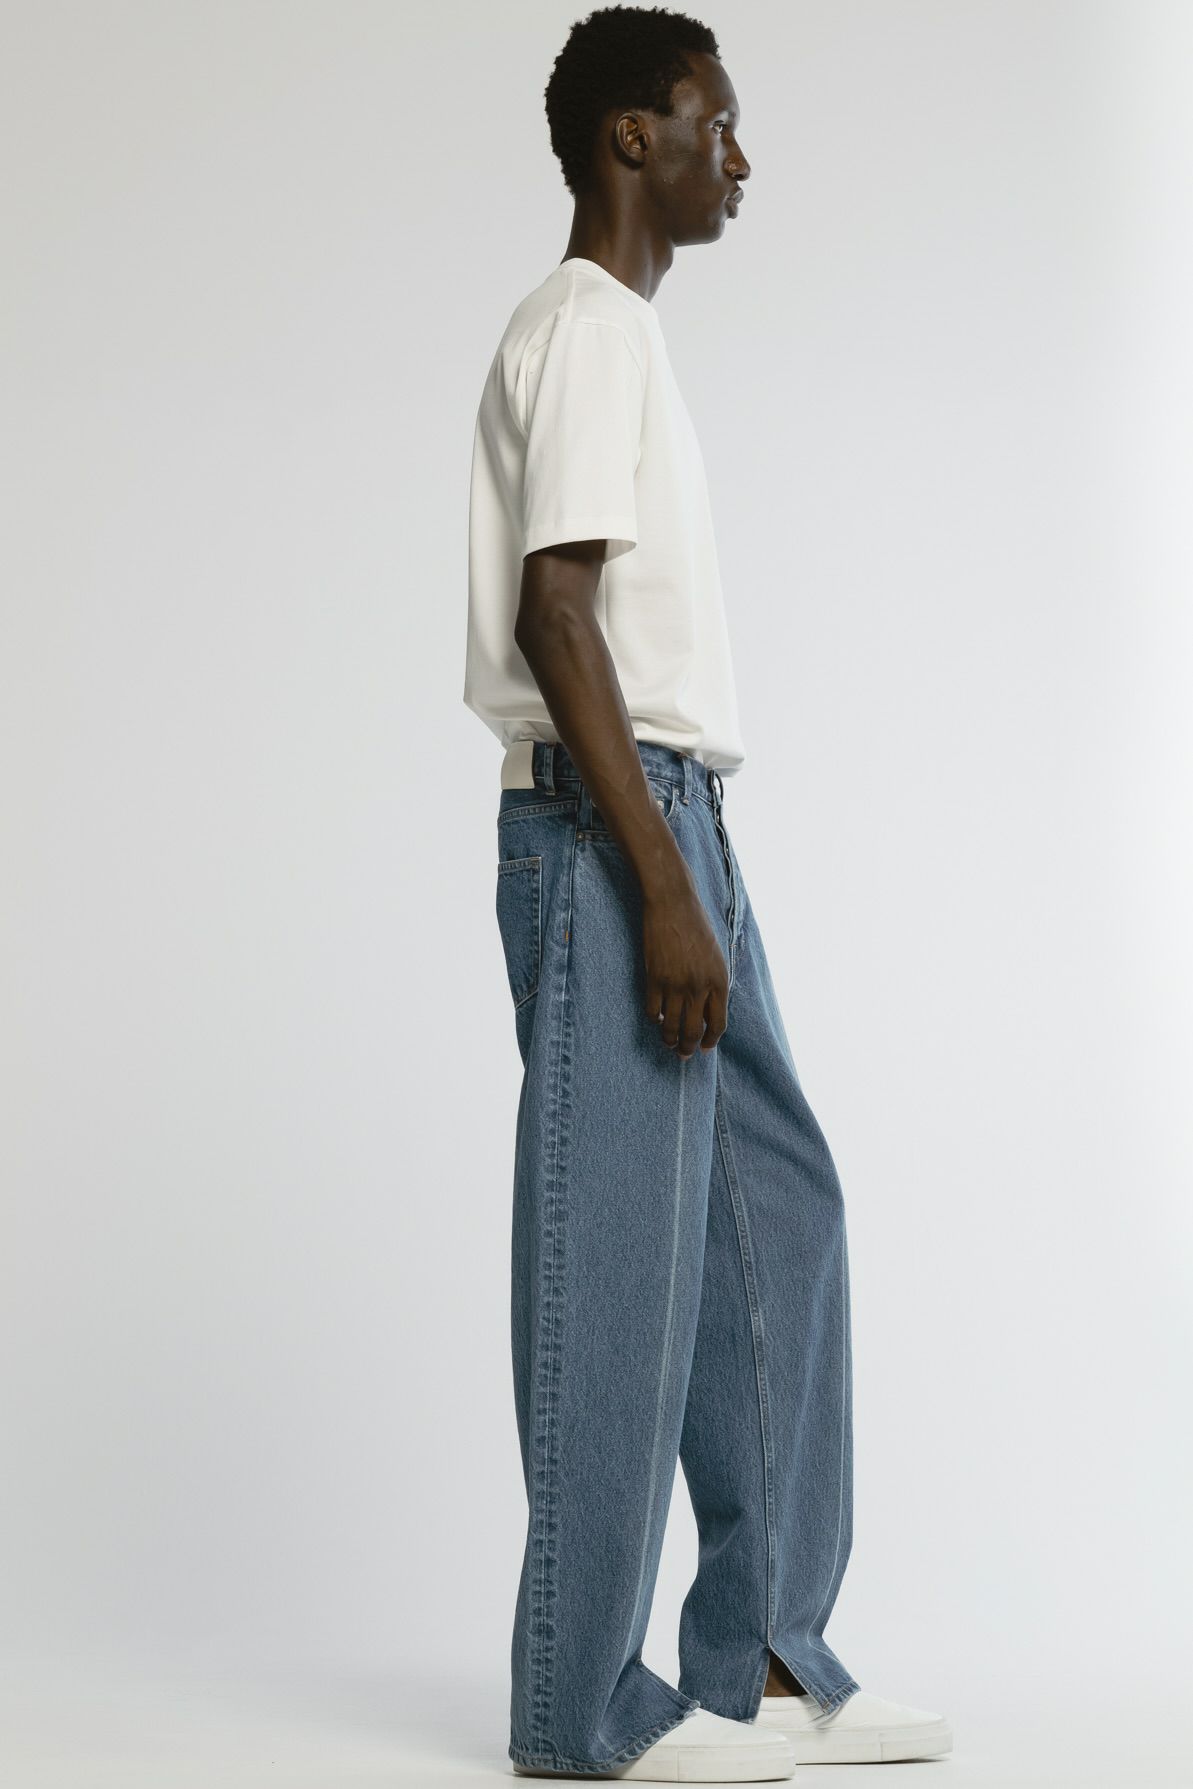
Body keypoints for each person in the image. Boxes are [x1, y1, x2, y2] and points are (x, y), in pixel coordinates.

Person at [464, 8, 952, 1780]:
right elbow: (558, 612)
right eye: (711, 123)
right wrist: (658, 882)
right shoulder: (587, 328)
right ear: (629, 137)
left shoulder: (620, 339)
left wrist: (689, 863)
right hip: (616, 831)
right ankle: (582, 1705)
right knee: (620, 1260)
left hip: (673, 823)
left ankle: (755, 1651)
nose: (736, 157)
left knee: (776, 1214)